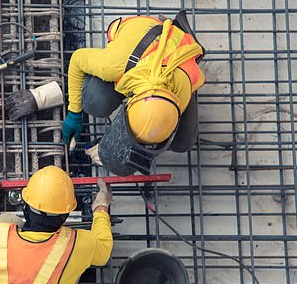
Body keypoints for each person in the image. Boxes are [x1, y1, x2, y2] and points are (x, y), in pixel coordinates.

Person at [61, 11, 205, 175]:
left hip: (179, 53)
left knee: (183, 143)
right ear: (129, 103)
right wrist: (74, 111)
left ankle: (181, 32)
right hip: (140, 35)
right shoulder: (113, 65)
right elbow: (77, 60)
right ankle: (169, 25)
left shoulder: (184, 90)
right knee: (94, 103)